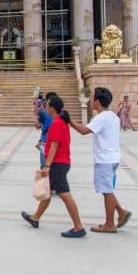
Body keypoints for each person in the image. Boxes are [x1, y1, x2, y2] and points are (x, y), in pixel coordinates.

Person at [21, 96, 86, 238]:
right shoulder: (61, 121)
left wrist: (47, 165)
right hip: (62, 161)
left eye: (47, 105)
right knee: (48, 191)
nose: (45, 108)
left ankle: (78, 227)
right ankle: (35, 217)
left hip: (58, 163)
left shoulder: (57, 123)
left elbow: (54, 146)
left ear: (52, 108)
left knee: (65, 194)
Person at [70, 87, 132, 233]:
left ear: (97, 101)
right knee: (107, 189)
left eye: (92, 98)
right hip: (113, 157)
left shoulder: (101, 117)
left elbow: (84, 131)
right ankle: (121, 213)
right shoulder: (112, 116)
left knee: (107, 190)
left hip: (105, 159)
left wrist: (69, 121)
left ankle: (109, 224)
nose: (91, 101)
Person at [34, 91, 57, 169]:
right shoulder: (62, 114)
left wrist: (35, 114)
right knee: (54, 168)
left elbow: (37, 126)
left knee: (44, 167)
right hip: (55, 143)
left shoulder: (44, 113)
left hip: (46, 143)